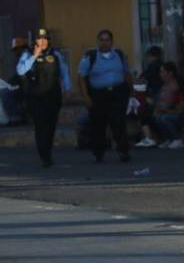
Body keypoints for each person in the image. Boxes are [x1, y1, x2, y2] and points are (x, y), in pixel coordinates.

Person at [16, 29, 71, 167]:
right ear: (35, 41)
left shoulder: (56, 54)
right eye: (39, 39)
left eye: (44, 39)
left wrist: (68, 89)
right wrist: (34, 56)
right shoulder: (27, 54)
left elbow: (64, 72)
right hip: (36, 98)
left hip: (53, 97)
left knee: (51, 127)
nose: (41, 42)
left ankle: (48, 152)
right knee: (41, 127)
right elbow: (20, 70)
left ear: (48, 40)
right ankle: (44, 157)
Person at [78, 29, 133, 163]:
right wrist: (86, 96)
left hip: (117, 93)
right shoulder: (90, 56)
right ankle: (99, 153)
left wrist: (131, 92)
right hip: (98, 95)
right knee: (98, 125)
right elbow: (81, 77)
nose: (104, 43)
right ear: (98, 41)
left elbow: (126, 73)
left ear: (112, 42)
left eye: (107, 40)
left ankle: (123, 151)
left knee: (119, 123)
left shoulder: (119, 55)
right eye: (101, 40)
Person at [151, 62, 184, 149]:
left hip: (182, 116)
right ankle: (168, 139)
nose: (160, 74)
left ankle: (177, 139)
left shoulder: (176, 86)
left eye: (162, 72)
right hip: (168, 112)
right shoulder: (164, 86)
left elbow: (181, 108)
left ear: (170, 73)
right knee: (157, 117)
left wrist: (165, 111)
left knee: (164, 118)